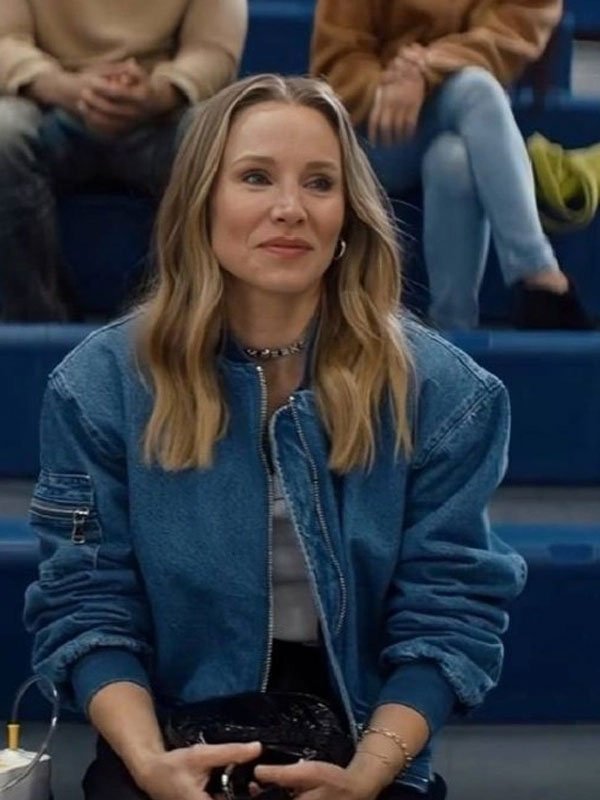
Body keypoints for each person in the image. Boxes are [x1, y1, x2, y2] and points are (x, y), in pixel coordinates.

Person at [24, 74, 526, 800]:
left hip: (361, 732)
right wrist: (150, 762)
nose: (290, 208)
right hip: (168, 728)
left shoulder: (446, 394)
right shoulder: (98, 384)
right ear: (203, 201)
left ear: (348, 213)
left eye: (320, 183)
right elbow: (87, 603)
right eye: (256, 177)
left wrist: (366, 775)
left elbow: (449, 612)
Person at [310, 0, 595, 331]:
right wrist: (387, 88)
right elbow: (338, 61)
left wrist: (426, 68)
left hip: (467, 121)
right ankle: (539, 275)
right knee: (477, 88)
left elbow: (509, 38)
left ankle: (453, 326)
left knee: (453, 158)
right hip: (376, 128)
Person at [0, 0, 247, 321]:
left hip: (163, 113)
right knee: (4, 132)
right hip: (49, 104)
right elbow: (6, 42)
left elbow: (212, 50)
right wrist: (70, 88)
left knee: (212, 133)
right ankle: (33, 324)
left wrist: (157, 92)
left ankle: (176, 318)